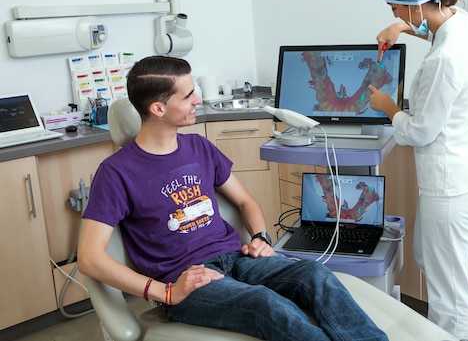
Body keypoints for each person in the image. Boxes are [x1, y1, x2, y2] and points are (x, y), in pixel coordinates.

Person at [77, 55, 389, 341]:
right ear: (158, 109)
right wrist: (165, 292)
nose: (198, 99)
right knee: (266, 304)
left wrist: (261, 237)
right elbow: (90, 257)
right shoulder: (116, 173)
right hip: (188, 281)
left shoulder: (199, 147)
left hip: (238, 259)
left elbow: (245, 201)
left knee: (315, 274)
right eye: (188, 96)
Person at [367, 0, 468, 341]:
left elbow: (421, 131)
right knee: (428, 255)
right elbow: (434, 28)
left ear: (413, 2)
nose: (395, 12)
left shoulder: (445, 58)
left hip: (450, 182)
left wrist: (389, 108)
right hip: (465, 172)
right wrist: (401, 29)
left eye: (395, 7)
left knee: (450, 295)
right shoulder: (463, 22)